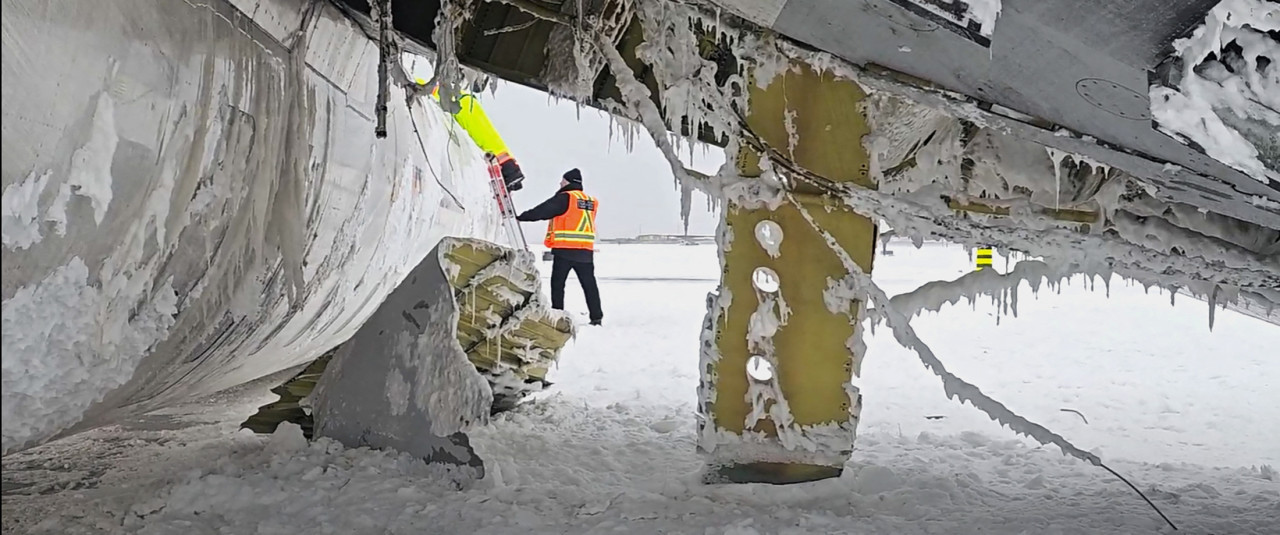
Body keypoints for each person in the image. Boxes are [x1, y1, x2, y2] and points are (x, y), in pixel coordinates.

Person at [516, 169, 603, 326]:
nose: (560, 184)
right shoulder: (591, 201)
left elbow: (543, 210)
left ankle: (558, 313)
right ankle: (596, 317)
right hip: (585, 251)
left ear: (568, 182)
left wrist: (522, 217)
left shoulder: (566, 198)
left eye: (562, 181)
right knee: (589, 285)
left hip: (566, 250)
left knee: (558, 284)